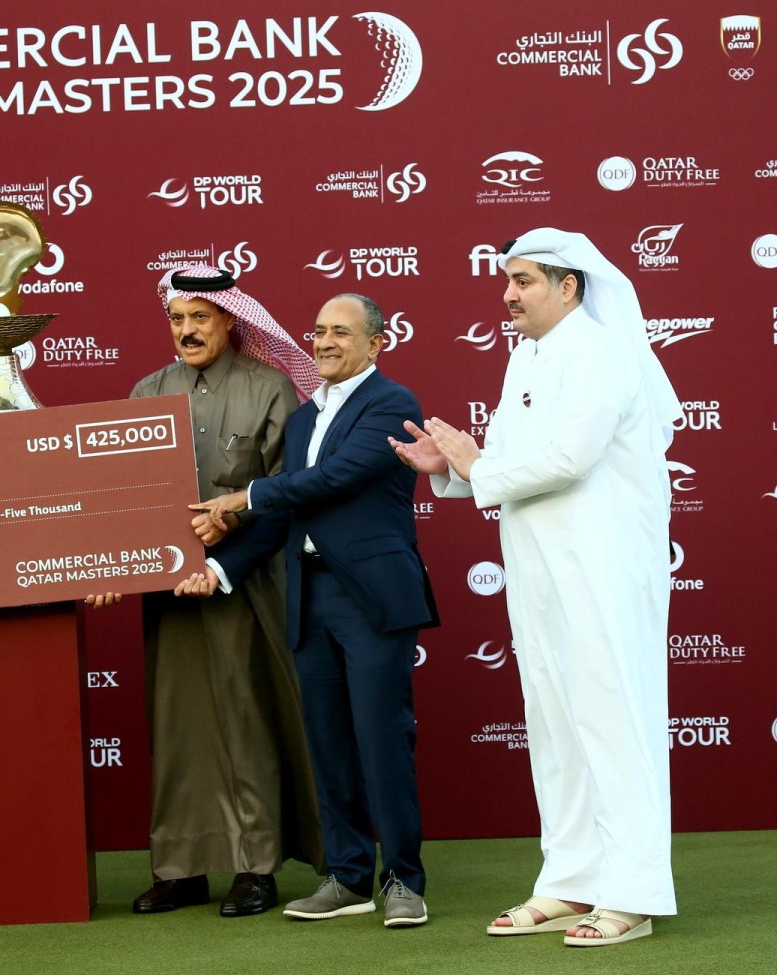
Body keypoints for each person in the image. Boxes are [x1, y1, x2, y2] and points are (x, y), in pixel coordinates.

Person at [390, 227, 680, 947]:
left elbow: (570, 459)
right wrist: (451, 468)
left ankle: (633, 894)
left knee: (615, 721)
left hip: (604, 564)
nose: (507, 294)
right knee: (553, 718)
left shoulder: (605, 352)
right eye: (507, 280)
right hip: (539, 562)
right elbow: (512, 462)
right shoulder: (526, 354)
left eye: (522, 281)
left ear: (568, 286)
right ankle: (570, 878)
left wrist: (475, 464)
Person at [185, 293, 438, 929]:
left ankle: (403, 880)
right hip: (311, 596)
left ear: (376, 344)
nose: (324, 342)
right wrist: (218, 569)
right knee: (327, 743)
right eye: (319, 331)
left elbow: (336, 479)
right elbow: (284, 519)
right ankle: (347, 876)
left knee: (382, 740)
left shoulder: (392, 403)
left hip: (371, 600)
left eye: (341, 333)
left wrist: (245, 495)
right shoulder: (301, 422)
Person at [109, 265, 324, 918]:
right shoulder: (147, 390)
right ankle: (181, 867)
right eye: (177, 319)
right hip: (170, 589)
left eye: (200, 317)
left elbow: (292, 492)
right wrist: (104, 567)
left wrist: (232, 519)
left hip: (249, 583)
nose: (187, 330)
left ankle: (256, 866)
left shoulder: (271, 389)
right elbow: (122, 497)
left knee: (245, 716)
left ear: (231, 321)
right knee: (179, 727)